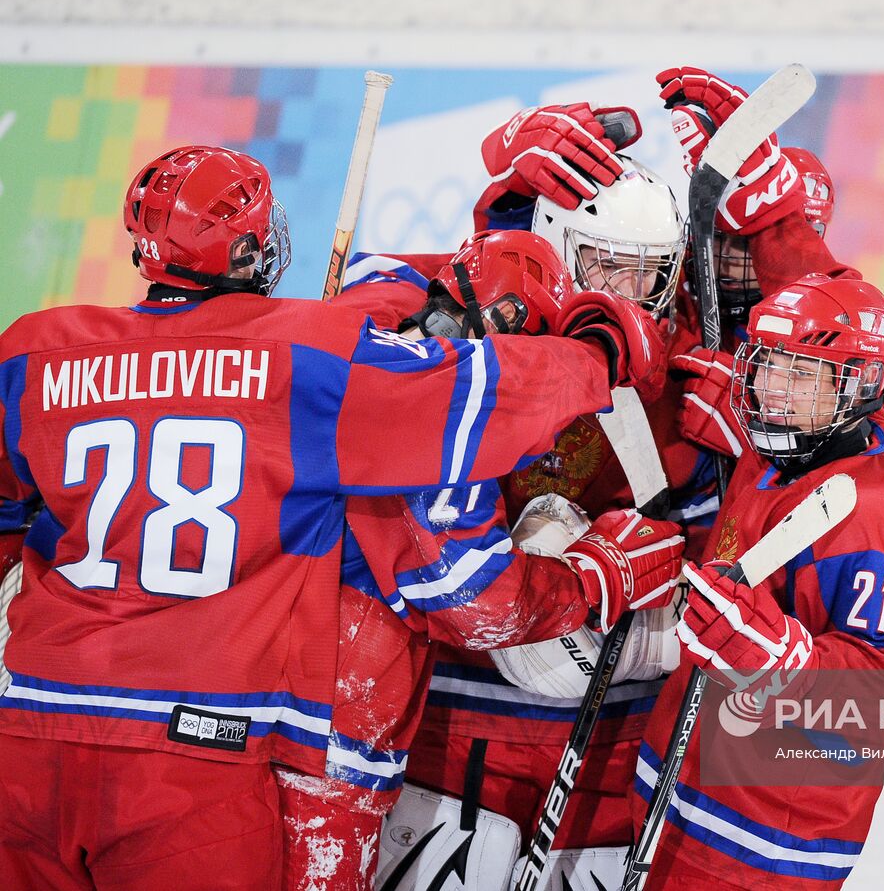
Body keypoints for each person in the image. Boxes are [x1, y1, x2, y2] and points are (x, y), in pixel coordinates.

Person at [0, 145, 667, 890]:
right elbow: (479, 396)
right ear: (250, 247)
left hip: (29, 733)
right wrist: (596, 357)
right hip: (196, 754)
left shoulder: (34, 349)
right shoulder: (303, 353)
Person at [274, 230, 688, 891]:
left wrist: (503, 212)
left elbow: (379, 271)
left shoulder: (358, 322)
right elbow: (478, 605)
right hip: (327, 727)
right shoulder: (452, 429)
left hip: (217, 699)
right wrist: (597, 575)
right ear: (512, 333)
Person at [642, 273, 884, 890]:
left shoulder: (877, 519)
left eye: (802, 373)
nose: (772, 389)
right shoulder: (782, 445)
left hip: (765, 839)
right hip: (680, 790)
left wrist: (783, 659)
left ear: (858, 384)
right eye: (768, 363)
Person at [656, 66, 884, 475]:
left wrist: (766, 436)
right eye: (723, 236)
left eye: (749, 238)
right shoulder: (666, 300)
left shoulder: (847, 334)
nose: (734, 255)